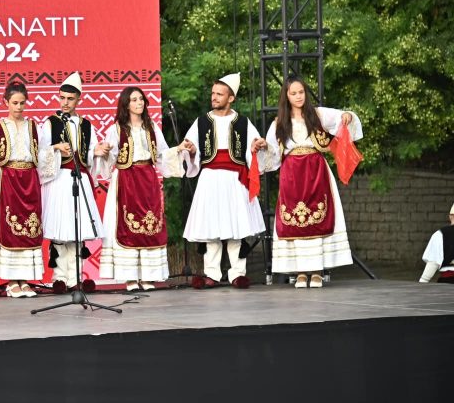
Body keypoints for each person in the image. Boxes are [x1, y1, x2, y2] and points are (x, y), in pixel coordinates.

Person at [253, 77, 361, 288]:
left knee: (318, 218)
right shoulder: (279, 123)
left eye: (301, 92)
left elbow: (342, 118)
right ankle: (301, 272)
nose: (298, 96)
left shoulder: (317, 115)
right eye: (293, 93)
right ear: (286, 96)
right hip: (292, 174)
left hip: (316, 171)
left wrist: (347, 116)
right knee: (295, 222)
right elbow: (273, 155)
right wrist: (263, 146)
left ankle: (317, 271)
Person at [179, 73, 265, 289]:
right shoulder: (201, 122)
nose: (214, 97)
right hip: (210, 178)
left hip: (236, 179)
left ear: (231, 98)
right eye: (213, 93)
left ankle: (238, 273)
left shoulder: (243, 123)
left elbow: (253, 151)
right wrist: (191, 150)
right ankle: (212, 273)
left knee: (237, 228)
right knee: (211, 227)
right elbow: (191, 150)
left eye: (219, 94)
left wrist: (256, 148)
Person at [95, 87, 185, 291]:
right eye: (134, 100)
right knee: (127, 226)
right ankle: (130, 278)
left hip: (147, 180)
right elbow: (110, 159)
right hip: (126, 180)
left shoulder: (151, 128)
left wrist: (178, 150)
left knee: (150, 226)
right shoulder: (116, 129)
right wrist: (105, 152)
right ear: (126, 104)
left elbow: (161, 155)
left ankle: (147, 276)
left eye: (141, 99)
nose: (139, 103)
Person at [39, 72, 110, 289]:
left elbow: (90, 152)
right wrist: (55, 148)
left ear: (79, 99)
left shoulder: (86, 125)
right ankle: (59, 277)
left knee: (77, 229)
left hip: (79, 179)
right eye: (62, 98)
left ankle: (76, 277)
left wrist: (97, 152)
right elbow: (40, 152)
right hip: (58, 179)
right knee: (60, 230)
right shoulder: (50, 123)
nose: (65, 103)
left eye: (70, 99)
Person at [0, 82, 50, 298]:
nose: (19, 107)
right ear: (5, 102)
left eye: (22, 103)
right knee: (9, 226)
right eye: (14, 103)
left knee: (30, 226)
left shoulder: (34, 127)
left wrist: (55, 150)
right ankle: (12, 280)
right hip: (9, 178)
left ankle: (25, 278)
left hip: (29, 179)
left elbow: (43, 154)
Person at [419, 203, 454, 284]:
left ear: (450, 216)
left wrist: (422, 282)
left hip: (448, 284)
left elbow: (433, 262)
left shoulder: (440, 234)